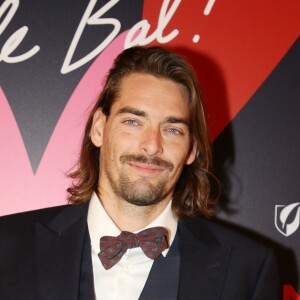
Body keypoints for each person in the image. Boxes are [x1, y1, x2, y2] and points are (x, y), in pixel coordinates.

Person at [0, 46, 280, 299]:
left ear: (192, 149)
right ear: (99, 128)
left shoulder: (249, 270)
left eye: (172, 130)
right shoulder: (7, 246)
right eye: (133, 121)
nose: (151, 146)